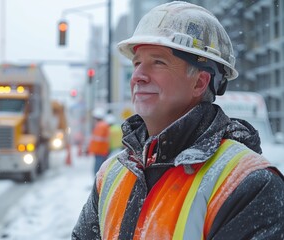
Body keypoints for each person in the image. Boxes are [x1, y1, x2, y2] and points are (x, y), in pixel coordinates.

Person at [72, 2, 284, 239]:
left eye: (158, 62)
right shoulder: (111, 174)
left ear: (200, 82)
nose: (138, 76)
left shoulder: (248, 183)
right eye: (137, 63)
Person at [88, 108, 110, 175]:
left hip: (100, 151)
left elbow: (98, 140)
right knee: (100, 168)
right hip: (101, 151)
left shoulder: (100, 126)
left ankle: (97, 183)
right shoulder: (103, 125)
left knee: (98, 169)